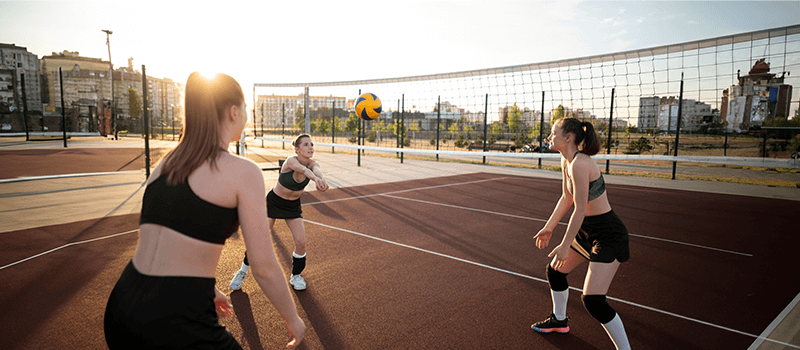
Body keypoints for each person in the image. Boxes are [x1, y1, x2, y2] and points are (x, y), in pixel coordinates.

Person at [104, 72, 305, 349]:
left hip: (122, 305)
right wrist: (292, 317)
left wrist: (209, 289)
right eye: (246, 108)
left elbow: (163, 239)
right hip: (174, 316)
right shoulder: (243, 172)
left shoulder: (166, 164)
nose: (247, 116)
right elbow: (264, 267)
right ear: (234, 112)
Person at [531, 117, 631, 350]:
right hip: (589, 231)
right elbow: (567, 197)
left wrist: (565, 245)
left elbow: (580, 207)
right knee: (555, 271)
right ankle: (559, 320)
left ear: (568, 138)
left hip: (608, 234)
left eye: (553, 132)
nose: (548, 136)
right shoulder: (566, 161)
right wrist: (549, 227)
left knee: (593, 301)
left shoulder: (580, 163)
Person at [229, 133, 329, 292]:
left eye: (312, 144)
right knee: (259, 239)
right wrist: (316, 180)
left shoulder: (313, 164)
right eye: (306, 145)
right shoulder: (291, 161)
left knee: (301, 242)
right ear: (297, 149)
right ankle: (242, 271)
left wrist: (321, 180)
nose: (311, 147)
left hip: (293, 206)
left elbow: (316, 170)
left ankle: (296, 275)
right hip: (274, 203)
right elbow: (304, 170)